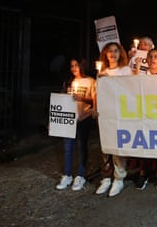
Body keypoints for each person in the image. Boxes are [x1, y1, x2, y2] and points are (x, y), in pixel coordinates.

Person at [94, 42, 133, 197]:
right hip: (105, 114)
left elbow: (131, 90)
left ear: (120, 53)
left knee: (117, 146)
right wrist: (96, 109)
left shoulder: (125, 70)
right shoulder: (102, 71)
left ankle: (119, 178)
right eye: (109, 51)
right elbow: (97, 93)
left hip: (120, 113)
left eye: (116, 51)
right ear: (105, 54)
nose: (113, 54)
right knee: (105, 146)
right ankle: (106, 177)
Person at [55, 57, 96, 191]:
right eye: (71, 65)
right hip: (70, 120)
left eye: (76, 65)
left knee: (82, 146)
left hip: (84, 118)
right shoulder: (69, 82)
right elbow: (62, 100)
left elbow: (94, 101)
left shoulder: (91, 81)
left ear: (83, 66)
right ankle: (67, 175)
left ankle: (80, 175)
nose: (73, 68)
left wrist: (82, 98)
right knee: (68, 147)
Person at [134, 48, 157, 190]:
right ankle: (143, 173)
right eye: (150, 57)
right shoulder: (141, 76)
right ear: (146, 60)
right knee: (145, 144)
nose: (153, 59)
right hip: (145, 116)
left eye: (156, 56)